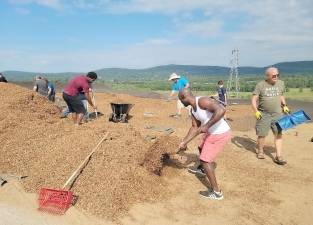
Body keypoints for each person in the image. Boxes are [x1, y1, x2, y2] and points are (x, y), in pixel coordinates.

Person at [178, 89, 231, 200]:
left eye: (180, 100)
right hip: (211, 132)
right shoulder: (192, 110)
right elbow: (194, 127)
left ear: (184, 98)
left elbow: (221, 110)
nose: (181, 103)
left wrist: (207, 125)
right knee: (200, 146)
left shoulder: (202, 101)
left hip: (219, 133)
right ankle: (203, 170)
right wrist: (184, 142)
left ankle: (216, 192)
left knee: (205, 160)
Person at [251, 67, 290, 165]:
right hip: (264, 114)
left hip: (277, 114)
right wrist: (256, 111)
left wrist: (284, 106)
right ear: (267, 76)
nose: (276, 77)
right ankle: (260, 151)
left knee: (279, 134)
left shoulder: (281, 83)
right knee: (262, 134)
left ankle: (278, 156)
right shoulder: (260, 85)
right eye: (273, 75)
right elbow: (254, 99)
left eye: (277, 75)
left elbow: (281, 95)